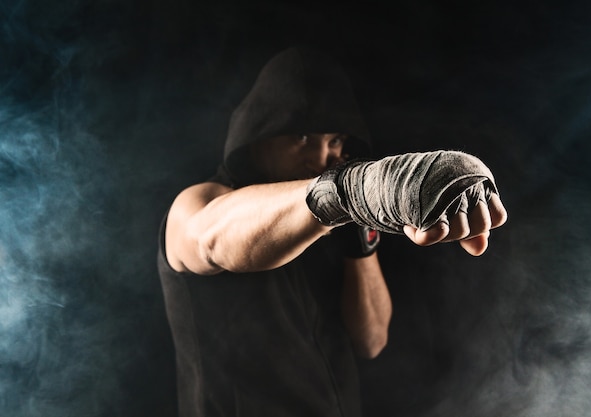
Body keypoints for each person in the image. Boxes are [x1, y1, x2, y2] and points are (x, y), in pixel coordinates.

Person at [157, 47, 507, 417]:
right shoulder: (197, 203)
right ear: (259, 134)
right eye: (304, 137)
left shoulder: (331, 218)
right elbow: (211, 238)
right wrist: (353, 189)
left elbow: (371, 340)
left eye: (335, 141)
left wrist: (359, 228)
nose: (320, 158)